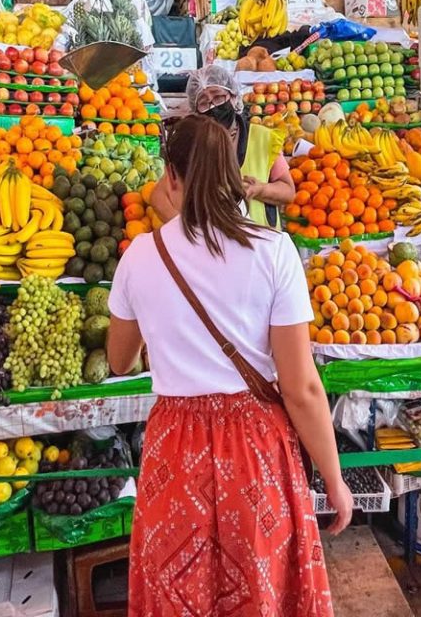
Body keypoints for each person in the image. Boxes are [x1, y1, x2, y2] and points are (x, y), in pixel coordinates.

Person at [107, 114, 352, 616]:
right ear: (233, 173)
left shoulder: (139, 257)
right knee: (258, 587)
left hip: (174, 449)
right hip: (256, 449)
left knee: (180, 590)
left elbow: (118, 359)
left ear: (170, 176)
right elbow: (301, 387)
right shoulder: (274, 251)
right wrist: (334, 477)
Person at [182, 64, 295, 228]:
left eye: (218, 97)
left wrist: (260, 189)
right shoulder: (195, 148)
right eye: (204, 103)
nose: (213, 107)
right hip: (217, 243)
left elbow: (288, 191)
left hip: (263, 243)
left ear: (233, 97)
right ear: (196, 111)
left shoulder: (263, 137)